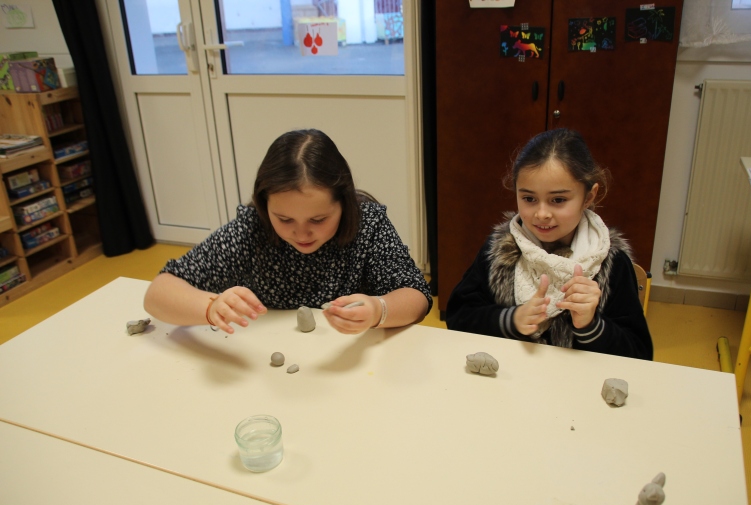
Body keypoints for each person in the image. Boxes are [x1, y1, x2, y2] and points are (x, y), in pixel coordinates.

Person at [144, 129, 432, 335]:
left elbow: (417, 296)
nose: (302, 234)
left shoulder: (367, 225)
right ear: (264, 205)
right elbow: (158, 293)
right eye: (284, 219)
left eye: (318, 219)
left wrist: (378, 309)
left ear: (344, 204)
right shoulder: (252, 229)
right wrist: (211, 307)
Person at [445, 129, 653, 360]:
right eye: (529, 199)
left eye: (558, 200)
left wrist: (591, 325)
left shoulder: (611, 263)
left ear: (589, 197)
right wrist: (512, 320)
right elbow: (458, 316)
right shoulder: (498, 251)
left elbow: (640, 355)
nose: (542, 214)